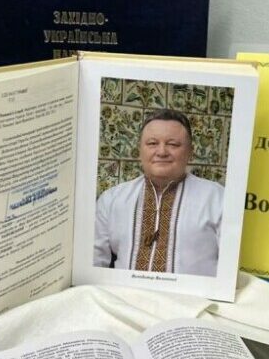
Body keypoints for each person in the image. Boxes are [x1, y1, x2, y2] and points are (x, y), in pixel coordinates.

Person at [94, 108, 223, 276]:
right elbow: (94, 265)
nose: (161, 152)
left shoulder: (218, 199)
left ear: (190, 152)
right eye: (152, 143)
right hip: (123, 293)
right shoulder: (111, 200)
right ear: (140, 151)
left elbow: (229, 271)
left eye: (173, 144)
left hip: (194, 294)